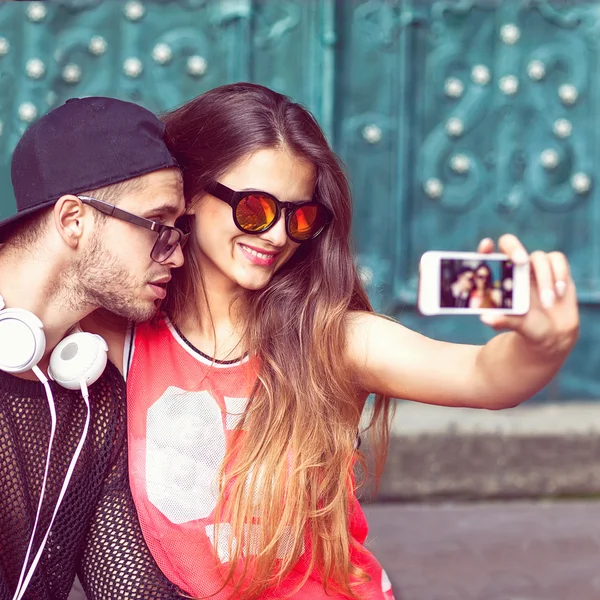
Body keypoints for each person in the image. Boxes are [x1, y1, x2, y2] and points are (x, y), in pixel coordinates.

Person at [89, 83, 579, 600]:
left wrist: (542, 344)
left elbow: (485, 377)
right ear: (190, 195)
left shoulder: (331, 336)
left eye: (299, 216)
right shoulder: (124, 334)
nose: (277, 236)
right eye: (254, 209)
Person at [0, 97, 188, 600]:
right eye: (159, 225)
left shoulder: (92, 397)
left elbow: (132, 588)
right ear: (73, 221)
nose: (178, 253)